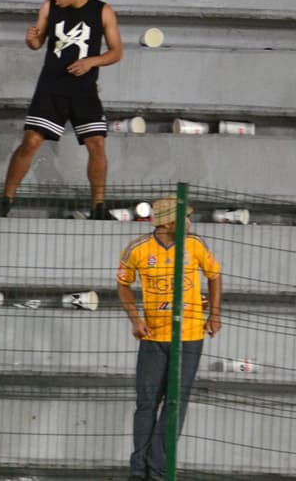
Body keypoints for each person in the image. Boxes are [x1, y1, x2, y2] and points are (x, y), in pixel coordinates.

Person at [0, 0, 121, 219]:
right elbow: (37, 43)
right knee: (30, 142)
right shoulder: (49, 7)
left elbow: (116, 52)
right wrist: (31, 39)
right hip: (51, 87)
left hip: (84, 89)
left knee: (97, 144)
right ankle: (5, 200)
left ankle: (98, 206)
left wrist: (90, 62)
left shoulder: (102, 10)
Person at [116, 196, 221, 481]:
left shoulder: (195, 245)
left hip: (189, 337)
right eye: (184, 217)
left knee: (176, 402)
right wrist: (136, 320)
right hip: (153, 337)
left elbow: (214, 275)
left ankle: (158, 468)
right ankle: (138, 470)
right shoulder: (137, 249)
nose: (189, 223)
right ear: (168, 222)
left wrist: (214, 315)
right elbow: (123, 285)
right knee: (146, 403)